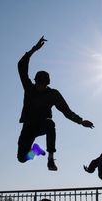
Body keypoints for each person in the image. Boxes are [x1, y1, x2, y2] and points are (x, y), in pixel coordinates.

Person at [17, 36, 94, 171]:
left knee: (50, 124)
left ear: (47, 84)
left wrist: (81, 121)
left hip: (42, 124)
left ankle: (51, 159)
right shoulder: (29, 87)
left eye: (43, 85)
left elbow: (66, 111)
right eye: (38, 84)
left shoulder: (53, 94)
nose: (40, 87)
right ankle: (35, 150)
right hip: (28, 126)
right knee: (22, 158)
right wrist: (34, 49)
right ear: (35, 82)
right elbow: (21, 66)